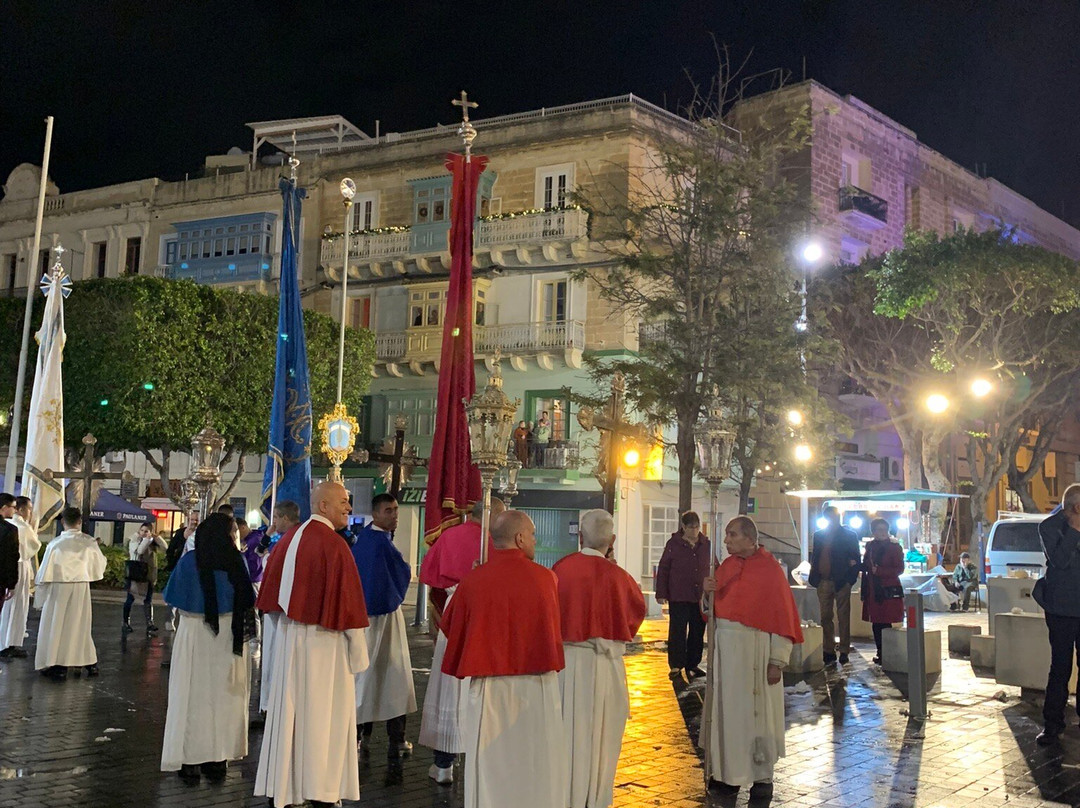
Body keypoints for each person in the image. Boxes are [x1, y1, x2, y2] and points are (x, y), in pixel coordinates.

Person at [254, 482, 371, 808]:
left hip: (291, 643)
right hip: (327, 648)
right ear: (323, 506)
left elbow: (273, 604)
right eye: (344, 502)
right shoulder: (334, 547)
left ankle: (287, 788)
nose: (349, 508)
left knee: (291, 715)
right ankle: (320, 789)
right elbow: (350, 613)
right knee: (323, 720)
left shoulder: (288, 540)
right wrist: (359, 659)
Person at [441, 509, 567, 808]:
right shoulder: (545, 579)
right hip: (535, 686)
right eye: (533, 535)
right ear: (520, 538)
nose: (535, 541)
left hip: (489, 690)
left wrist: (477, 580)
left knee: (490, 765)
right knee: (535, 760)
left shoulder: (474, 580)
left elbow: (450, 625)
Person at [701, 516, 803, 801]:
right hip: (726, 657)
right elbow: (711, 611)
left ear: (749, 538)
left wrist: (777, 660)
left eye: (732, 535)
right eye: (726, 535)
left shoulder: (770, 570)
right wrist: (708, 594)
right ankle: (727, 776)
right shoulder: (727, 567)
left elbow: (782, 618)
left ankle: (761, 779)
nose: (726, 540)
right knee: (728, 717)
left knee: (756, 719)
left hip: (756, 655)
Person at [553, 509, 646, 808]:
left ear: (580, 537)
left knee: (566, 738)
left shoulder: (560, 570)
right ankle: (597, 799)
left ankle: (564, 798)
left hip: (567, 665)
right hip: (606, 668)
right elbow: (635, 614)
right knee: (603, 742)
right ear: (613, 540)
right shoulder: (621, 578)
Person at [161, 512, 257, 781]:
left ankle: (189, 759)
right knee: (224, 698)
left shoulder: (191, 562)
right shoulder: (236, 562)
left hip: (195, 634)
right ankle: (218, 756)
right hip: (229, 637)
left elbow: (173, 597)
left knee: (192, 696)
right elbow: (248, 599)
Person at [417, 496, 506, 784]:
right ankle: (481, 764)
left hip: (453, 621)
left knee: (449, 688)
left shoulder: (450, 536)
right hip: (486, 622)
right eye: (501, 516)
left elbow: (432, 582)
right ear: (490, 515)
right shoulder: (499, 545)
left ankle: (444, 765)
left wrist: (437, 622)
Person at [350, 493, 416, 784]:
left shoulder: (364, 539)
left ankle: (357, 738)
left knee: (363, 681)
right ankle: (395, 740)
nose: (394, 515)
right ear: (375, 514)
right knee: (394, 677)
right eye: (388, 511)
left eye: (396, 510)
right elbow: (401, 573)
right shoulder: (380, 545)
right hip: (384, 619)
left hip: (365, 619)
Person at [34, 507, 107, 680]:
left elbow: (43, 573)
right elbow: (100, 564)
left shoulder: (55, 544)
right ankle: (89, 662)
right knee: (79, 625)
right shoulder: (89, 542)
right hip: (81, 587)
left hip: (58, 588)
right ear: (79, 522)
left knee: (57, 624)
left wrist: (40, 595)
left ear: (62, 522)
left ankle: (57, 662)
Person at [1033, 484, 1080, 746]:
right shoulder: (1049, 527)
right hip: (1061, 609)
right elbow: (1060, 561)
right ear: (1074, 507)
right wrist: (1074, 529)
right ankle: (1052, 724)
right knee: (1060, 667)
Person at [257, 500, 302, 720]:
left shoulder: (293, 539)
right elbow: (260, 553)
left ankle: (272, 703)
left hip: (283, 610)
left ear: (285, 517)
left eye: (276, 517)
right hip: (279, 607)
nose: (274, 522)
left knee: (277, 656)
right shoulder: (285, 539)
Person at [654, 511, 711, 680]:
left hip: (699, 596)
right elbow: (664, 568)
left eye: (696, 527)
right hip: (678, 594)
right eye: (691, 527)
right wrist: (661, 592)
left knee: (697, 631)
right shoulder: (674, 544)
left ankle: (693, 664)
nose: (694, 531)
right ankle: (676, 664)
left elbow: (713, 564)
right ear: (683, 527)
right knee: (677, 630)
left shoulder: (705, 544)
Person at [808, 505, 861, 665]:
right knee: (825, 617)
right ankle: (828, 649)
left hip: (841, 581)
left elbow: (855, 559)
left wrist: (849, 580)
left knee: (843, 616)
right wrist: (815, 577)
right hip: (823, 580)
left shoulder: (849, 535)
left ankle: (844, 650)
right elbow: (816, 556)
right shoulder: (819, 535)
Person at [0, 496, 41, 659]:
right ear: (22, 510)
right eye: (30, 509)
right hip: (18, 566)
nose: (31, 512)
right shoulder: (20, 527)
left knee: (9, 607)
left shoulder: (11, 525)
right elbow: (34, 545)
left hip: (10, 566)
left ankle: (6, 641)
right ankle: (9, 642)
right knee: (17, 605)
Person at [861, 518, 905, 664]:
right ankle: (880, 651)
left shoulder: (894, 548)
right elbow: (867, 563)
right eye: (879, 530)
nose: (882, 533)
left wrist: (879, 571)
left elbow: (899, 569)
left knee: (886, 621)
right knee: (876, 622)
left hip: (888, 589)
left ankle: (887, 652)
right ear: (873, 531)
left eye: (884, 530)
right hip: (873, 588)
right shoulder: (870, 546)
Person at [123, 521, 167, 634]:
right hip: (135, 573)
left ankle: (149, 623)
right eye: (141, 530)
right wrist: (147, 540)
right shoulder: (134, 539)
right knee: (130, 598)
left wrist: (157, 538)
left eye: (146, 531)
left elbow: (165, 547)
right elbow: (139, 551)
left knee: (148, 599)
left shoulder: (152, 542)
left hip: (148, 573)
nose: (143, 533)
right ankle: (125, 623)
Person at [236, 518, 267, 592]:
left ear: (243, 527)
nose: (236, 535)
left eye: (236, 531)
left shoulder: (254, 541)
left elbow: (254, 564)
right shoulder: (249, 539)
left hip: (253, 580)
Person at [0, 495, 19, 606]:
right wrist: (11, 584)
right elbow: (11, 558)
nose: (15, 510)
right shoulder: (10, 529)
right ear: (4, 507)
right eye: (13, 507)